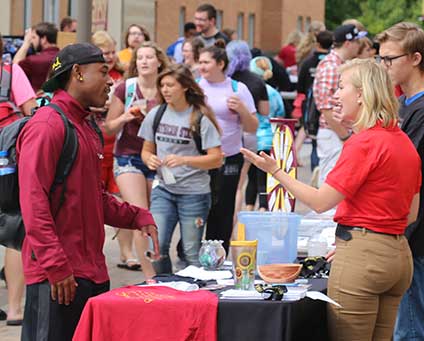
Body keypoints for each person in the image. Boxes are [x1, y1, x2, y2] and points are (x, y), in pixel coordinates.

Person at [242, 58, 421, 341]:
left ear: (361, 94)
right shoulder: (402, 142)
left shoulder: (364, 143)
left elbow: (319, 201)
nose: (335, 95)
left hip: (365, 256)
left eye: (341, 87)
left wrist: (276, 171)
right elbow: (410, 214)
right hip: (397, 256)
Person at [16, 43, 159, 341]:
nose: (111, 81)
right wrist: (55, 266)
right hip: (57, 277)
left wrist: (137, 216)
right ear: (78, 73)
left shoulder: (87, 125)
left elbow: (94, 198)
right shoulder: (47, 125)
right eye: (103, 72)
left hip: (90, 272)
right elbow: (33, 202)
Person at [139, 64, 222, 273]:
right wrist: (149, 160)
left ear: (185, 87)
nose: (165, 90)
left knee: (191, 253)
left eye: (170, 85)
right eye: (162, 85)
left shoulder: (199, 117)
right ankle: (164, 288)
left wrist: (185, 160)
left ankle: (192, 295)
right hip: (164, 189)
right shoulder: (156, 114)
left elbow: (216, 158)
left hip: (194, 193)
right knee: (156, 247)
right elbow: (146, 150)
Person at [377, 22, 424, 341]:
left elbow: (404, 172)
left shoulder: (420, 109)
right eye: (381, 59)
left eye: (389, 59)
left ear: (415, 58)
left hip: (414, 234)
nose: (384, 66)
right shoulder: (404, 105)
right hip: (406, 232)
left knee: (409, 329)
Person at [105, 41, 168, 277]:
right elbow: (109, 128)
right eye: (140, 58)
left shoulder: (167, 88)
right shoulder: (126, 88)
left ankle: (160, 266)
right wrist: (126, 117)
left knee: (157, 216)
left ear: (159, 61)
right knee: (141, 213)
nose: (144, 61)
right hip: (128, 157)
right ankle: (150, 276)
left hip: (158, 157)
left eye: (149, 57)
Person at [197, 41, 258, 253]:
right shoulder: (196, 87)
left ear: (221, 64)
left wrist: (242, 110)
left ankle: (217, 253)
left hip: (230, 157)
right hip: (201, 157)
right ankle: (191, 251)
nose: (201, 67)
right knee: (199, 204)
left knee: (223, 207)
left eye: (206, 62)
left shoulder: (237, 89)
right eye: (200, 62)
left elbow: (252, 127)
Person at [0, 33, 37, 327]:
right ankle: (14, 308)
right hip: (7, 165)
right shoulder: (11, 73)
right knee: (14, 231)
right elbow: (31, 112)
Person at [313, 24, 365, 186]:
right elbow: (326, 108)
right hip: (334, 134)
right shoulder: (331, 67)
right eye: (357, 41)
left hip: (336, 133)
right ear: (348, 43)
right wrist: (345, 137)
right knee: (331, 183)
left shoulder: (337, 64)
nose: (360, 45)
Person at [225, 40, 269, 216]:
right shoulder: (256, 81)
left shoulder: (224, 80)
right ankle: (232, 230)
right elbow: (264, 111)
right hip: (249, 131)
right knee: (239, 183)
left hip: (227, 132)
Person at [248, 56, 285, 210]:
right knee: (265, 179)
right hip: (270, 140)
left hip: (251, 139)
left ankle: (247, 210)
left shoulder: (247, 90)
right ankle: (264, 209)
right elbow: (281, 114)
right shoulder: (274, 94)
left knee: (251, 179)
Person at [294, 30, 334, 171]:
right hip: (330, 109)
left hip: (310, 107)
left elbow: (300, 86)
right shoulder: (332, 62)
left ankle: (315, 175)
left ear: (317, 43)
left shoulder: (308, 62)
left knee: (315, 142)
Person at [91, 30, 124, 195]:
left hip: (118, 137)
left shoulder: (123, 75)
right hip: (96, 134)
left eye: (113, 52)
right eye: (106, 53)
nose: (110, 57)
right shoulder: (89, 76)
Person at [13, 22, 60, 92]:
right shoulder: (65, 57)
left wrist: (26, 43)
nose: (32, 41)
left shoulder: (33, 60)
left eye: (34, 37)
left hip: (38, 100)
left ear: (44, 39)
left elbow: (15, 67)